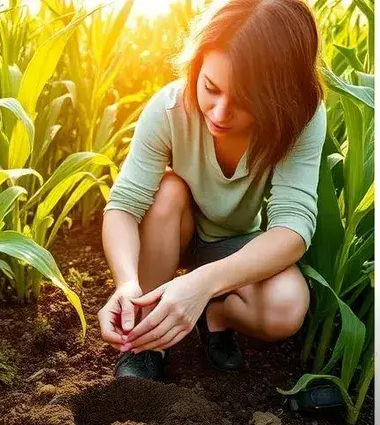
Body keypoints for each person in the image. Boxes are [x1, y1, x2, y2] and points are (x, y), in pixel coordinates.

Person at [97, 0, 325, 382]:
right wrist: (126, 282)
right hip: (173, 235)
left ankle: (212, 312)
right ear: (197, 66)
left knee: (286, 309)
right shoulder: (169, 109)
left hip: (233, 242)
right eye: (211, 88)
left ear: (281, 97)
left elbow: (293, 227)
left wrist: (202, 285)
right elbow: (123, 206)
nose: (219, 113)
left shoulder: (300, 117)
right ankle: (148, 336)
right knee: (168, 191)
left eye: (245, 102)